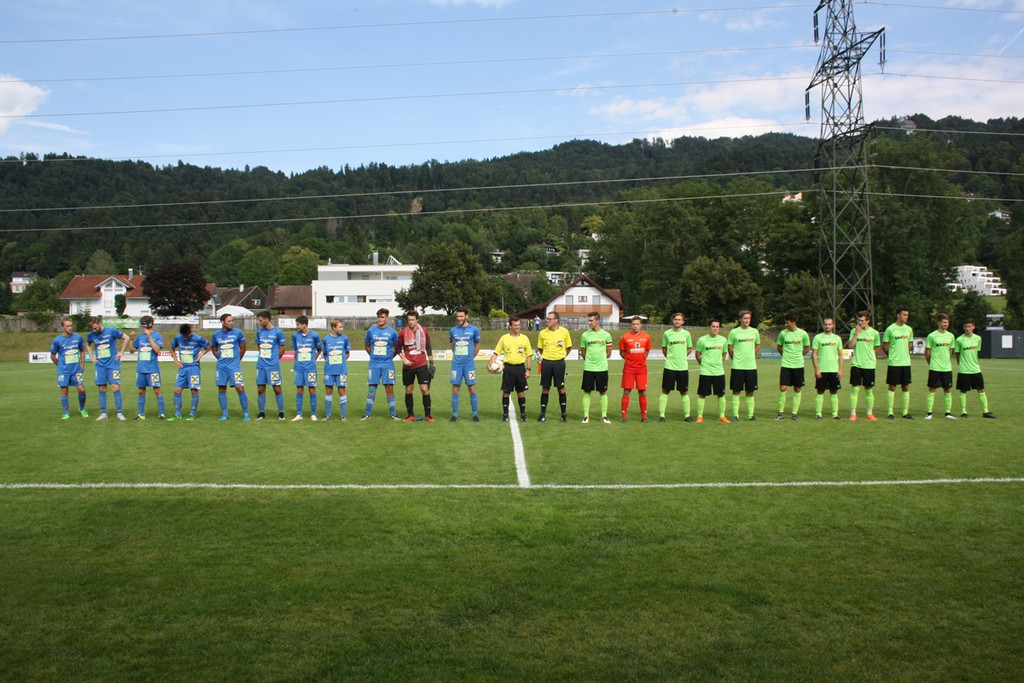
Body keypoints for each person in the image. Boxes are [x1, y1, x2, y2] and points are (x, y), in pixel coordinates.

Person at [87, 315, 130, 421]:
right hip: (100, 365)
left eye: (95, 328)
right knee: (102, 388)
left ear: (100, 324)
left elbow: (126, 337)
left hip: (113, 365)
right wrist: (92, 356)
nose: (94, 330)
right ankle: (103, 413)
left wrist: (121, 352)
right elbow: (88, 344)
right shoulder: (91, 335)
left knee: (115, 387)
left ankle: (119, 413)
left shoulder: (111, 331)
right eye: (92, 329)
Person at [489, 317, 533, 422]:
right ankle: (505, 415)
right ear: (510, 326)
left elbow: (529, 355)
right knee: (506, 392)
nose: (517, 327)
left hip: (520, 368)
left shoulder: (524, 338)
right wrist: (489, 364)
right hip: (508, 368)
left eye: (519, 325)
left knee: (521, 392)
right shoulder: (504, 338)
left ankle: (523, 414)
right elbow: (496, 352)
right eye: (515, 325)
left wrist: (528, 369)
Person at [362, 308, 400, 420]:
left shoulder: (392, 332)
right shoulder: (371, 331)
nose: (380, 319)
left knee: (389, 388)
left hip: (388, 365)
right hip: (374, 365)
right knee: (372, 388)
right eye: (378, 317)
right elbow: (367, 346)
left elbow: (397, 348)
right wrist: (373, 356)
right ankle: (367, 414)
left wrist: (389, 357)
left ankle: (393, 414)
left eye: (382, 317)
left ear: (387, 318)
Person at [211, 312, 250, 421]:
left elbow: (243, 348)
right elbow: (214, 348)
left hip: (234, 366)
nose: (231, 323)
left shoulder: (238, 333)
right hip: (221, 367)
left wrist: (237, 360)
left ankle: (246, 413)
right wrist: (219, 358)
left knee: (239, 387)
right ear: (222, 322)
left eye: (232, 321)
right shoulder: (216, 334)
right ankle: (225, 414)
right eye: (229, 321)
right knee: (222, 389)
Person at [954, 318, 996, 419]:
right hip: (964, 369)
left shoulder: (978, 339)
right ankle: (964, 412)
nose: (967, 328)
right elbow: (957, 355)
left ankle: (985, 412)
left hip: (976, 369)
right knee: (963, 391)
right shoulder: (959, 340)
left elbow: (976, 352)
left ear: (973, 327)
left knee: (981, 389)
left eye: (969, 326)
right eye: (965, 327)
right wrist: (962, 365)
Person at [168, 322, 210, 421]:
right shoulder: (178, 337)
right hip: (182, 368)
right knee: (177, 390)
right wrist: (176, 360)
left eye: (187, 335)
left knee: (194, 390)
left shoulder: (198, 338)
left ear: (191, 332)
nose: (185, 337)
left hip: (194, 368)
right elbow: (171, 348)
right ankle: (178, 414)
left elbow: (209, 345)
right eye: (184, 335)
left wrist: (201, 354)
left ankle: (192, 413)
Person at [398, 310, 434, 422]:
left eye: (413, 320)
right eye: (409, 320)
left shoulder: (424, 331)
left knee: (424, 389)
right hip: (408, 366)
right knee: (409, 390)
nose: (411, 322)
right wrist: (404, 359)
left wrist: (432, 363)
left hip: (421, 364)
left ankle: (428, 415)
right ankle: (410, 415)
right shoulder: (403, 333)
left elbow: (428, 346)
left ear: (417, 320)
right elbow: (398, 348)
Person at [50, 317, 88, 419]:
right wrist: (60, 365)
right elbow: (52, 356)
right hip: (64, 371)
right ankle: (66, 412)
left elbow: (82, 351)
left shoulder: (78, 338)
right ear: (62, 327)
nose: (70, 328)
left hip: (76, 370)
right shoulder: (57, 340)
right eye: (67, 326)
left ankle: (82, 408)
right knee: (64, 390)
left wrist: (82, 365)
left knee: (81, 390)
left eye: (71, 325)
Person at [536, 311, 572, 422]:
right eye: (547, 319)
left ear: (556, 320)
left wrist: (560, 356)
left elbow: (569, 347)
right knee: (545, 388)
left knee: (561, 388)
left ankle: (563, 414)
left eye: (550, 319)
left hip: (559, 363)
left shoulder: (564, 332)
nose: (548, 320)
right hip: (546, 363)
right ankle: (542, 414)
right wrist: (547, 357)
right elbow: (540, 349)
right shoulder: (542, 333)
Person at [659, 312, 693, 423]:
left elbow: (689, 348)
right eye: (675, 319)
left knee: (684, 391)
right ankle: (662, 416)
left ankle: (687, 416)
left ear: (683, 322)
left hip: (683, 367)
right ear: (673, 321)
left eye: (679, 320)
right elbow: (664, 349)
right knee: (665, 390)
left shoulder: (686, 334)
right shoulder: (667, 334)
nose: (677, 321)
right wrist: (671, 358)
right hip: (670, 367)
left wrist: (682, 357)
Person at [579, 311, 613, 424]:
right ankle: (586, 416)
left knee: (603, 392)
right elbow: (583, 352)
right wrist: (590, 362)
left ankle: (604, 416)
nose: (589, 323)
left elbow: (609, 352)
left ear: (598, 321)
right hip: (588, 368)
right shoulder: (585, 335)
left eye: (591, 320)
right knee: (587, 392)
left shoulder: (606, 335)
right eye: (588, 320)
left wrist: (601, 361)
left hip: (602, 368)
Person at [775, 313, 810, 421]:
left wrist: (799, 355)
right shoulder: (783, 334)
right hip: (786, 365)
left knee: (797, 388)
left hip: (798, 365)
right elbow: (779, 347)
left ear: (793, 322)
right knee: (783, 388)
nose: (785, 324)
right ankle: (780, 413)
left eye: (787, 322)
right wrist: (785, 356)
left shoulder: (803, 334)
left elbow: (807, 347)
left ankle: (794, 414)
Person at [449, 306, 481, 422]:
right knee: (455, 389)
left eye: (461, 316)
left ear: (466, 316)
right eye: (457, 316)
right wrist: (457, 355)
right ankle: (455, 415)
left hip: (469, 365)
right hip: (456, 365)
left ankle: (475, 414)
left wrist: (472, 357)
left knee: (472, 388)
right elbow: (452, 344)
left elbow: (478, 344)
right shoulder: (453, 330)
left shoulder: (474, 329)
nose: (459, 318)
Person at [727, 310, 761, 422]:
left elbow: (758, 345)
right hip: (738, 366)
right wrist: (735, 358)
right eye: (745, 318)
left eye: (748, 318)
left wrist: (752, 354)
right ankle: (735, 415)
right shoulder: (734, 332)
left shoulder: (754, 332)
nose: (747, 320)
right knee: (736, 391)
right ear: (740, 319)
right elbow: (730, 347)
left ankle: (750, 415)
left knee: (750, 392)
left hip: (751, 366)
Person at [847, 310, 881, 421]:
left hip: (869, 365)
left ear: (868, 321)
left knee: (869, 389)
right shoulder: (854, 331)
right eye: (859, 320)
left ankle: (869, 413)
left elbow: (876, 349)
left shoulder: (874, 333)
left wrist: (870, 359)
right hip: (856, 364)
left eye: (862, 320)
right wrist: (857, 333)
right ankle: (853, 413)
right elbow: (851, 345)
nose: (860, 323)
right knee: (855, 389)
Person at [694, 319, 729, 423]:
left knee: (721, 394)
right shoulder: (702, 340)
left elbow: (724, 354)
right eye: (713, 326)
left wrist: (718, 363)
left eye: (717, 327)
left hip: (719, 372)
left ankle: (722, 416)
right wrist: (703, 364)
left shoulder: (723, 340)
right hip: (705, 372)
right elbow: (698, 354)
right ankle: (700, 416)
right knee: (702, 394)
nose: (715, 328)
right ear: (710, 327)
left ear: (719, 328)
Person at [619, 315, 652, 422]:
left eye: (637, 324)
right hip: (629, 369)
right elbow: (622, 352)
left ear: (641, 325)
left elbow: (647, 351)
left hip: (642, 369)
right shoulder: (625, 337)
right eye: (633, 324)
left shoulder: (646, 337)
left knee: (642, 392)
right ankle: (624, 417)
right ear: (631, 325)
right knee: (626, 392)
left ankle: (644, 417)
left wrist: (640, 360)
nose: (635, 326)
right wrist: (630, 361)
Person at [132, 315, 166, 420]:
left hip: (153, 369)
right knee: (141, 391)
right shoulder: (139, 337)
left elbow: (156, 350)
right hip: (141, 369)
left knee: (157, 390)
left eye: (144, 324)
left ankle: (162, 414)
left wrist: (149, 337)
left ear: (150, 324)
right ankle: (141, 414)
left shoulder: (157, 336)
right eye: (142, 325)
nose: (143, 327)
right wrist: (130, 340)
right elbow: (132, 350)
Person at [254, 310, 286, 421]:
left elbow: (282, 349)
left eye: (261, 320)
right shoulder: (259, 332)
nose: (259, 322)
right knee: (260, 389)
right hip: (261, 366)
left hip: (273, 366)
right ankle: (261, 413)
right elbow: (259, 346)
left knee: (277, 389)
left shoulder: (278, 332)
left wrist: (274, 360)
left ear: (267, 319)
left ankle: (281, 413)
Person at [882, 307, 913, 419]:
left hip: (906, 362)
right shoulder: (890, 329)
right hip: (894, 363)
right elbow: (885, 345)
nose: (906, 317)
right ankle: (890, 412)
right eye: (904, 315)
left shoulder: (909, 329)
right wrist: (891, 355)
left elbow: (909, 344)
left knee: (905, 386)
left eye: (907, 315)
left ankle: (905, 412)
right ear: (898, 315)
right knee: (892, 386)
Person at [924, 313, 957, 420]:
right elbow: (927, 352)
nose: (946, 324)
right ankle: (929, 413)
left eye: (947, 322)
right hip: (935, 367)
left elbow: (950, 350)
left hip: (947, 367)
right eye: (944, 322)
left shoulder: (951, 336)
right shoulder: (932, 336)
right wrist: (932, 362)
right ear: (938, 322)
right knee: (932, 388)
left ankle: (948, 413)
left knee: (947, 389)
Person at [811, 317, 845, 420]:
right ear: (823, 325)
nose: (827, 326)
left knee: (834, 391)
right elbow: (814, 354)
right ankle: (818, 414)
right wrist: (817, 369)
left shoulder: (837, 338)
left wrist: (840, 369)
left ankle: (835, 414)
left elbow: (841, 355)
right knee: (820, 391)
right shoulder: (818, 338)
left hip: (834, 370)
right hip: (822, 370)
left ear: (833, 325)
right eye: (825, 324)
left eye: (829, 324)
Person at [291, 315, 322, 421]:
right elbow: (295, 350)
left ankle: (313, 414)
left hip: (311, 368)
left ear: (304, 324)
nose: (297, 326)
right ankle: (299, 414)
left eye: (298, 324)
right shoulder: (295, 336)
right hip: (299, 367)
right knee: (299, 390)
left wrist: (314, 360)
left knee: (312, 389)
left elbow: (319, 349)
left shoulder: (314, 335)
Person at [322, 318, 351, 421]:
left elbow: (347, 354)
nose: (342, 328)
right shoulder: (326, 339)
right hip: (329, 370)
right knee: (328, 391)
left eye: (342, 326)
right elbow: (325, 354)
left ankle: (343, 415)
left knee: (342, 391)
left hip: (341, 370)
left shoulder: (345, 339)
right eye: (340, 326)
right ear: (334, 327)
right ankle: (328, 415)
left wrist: (340, 361)